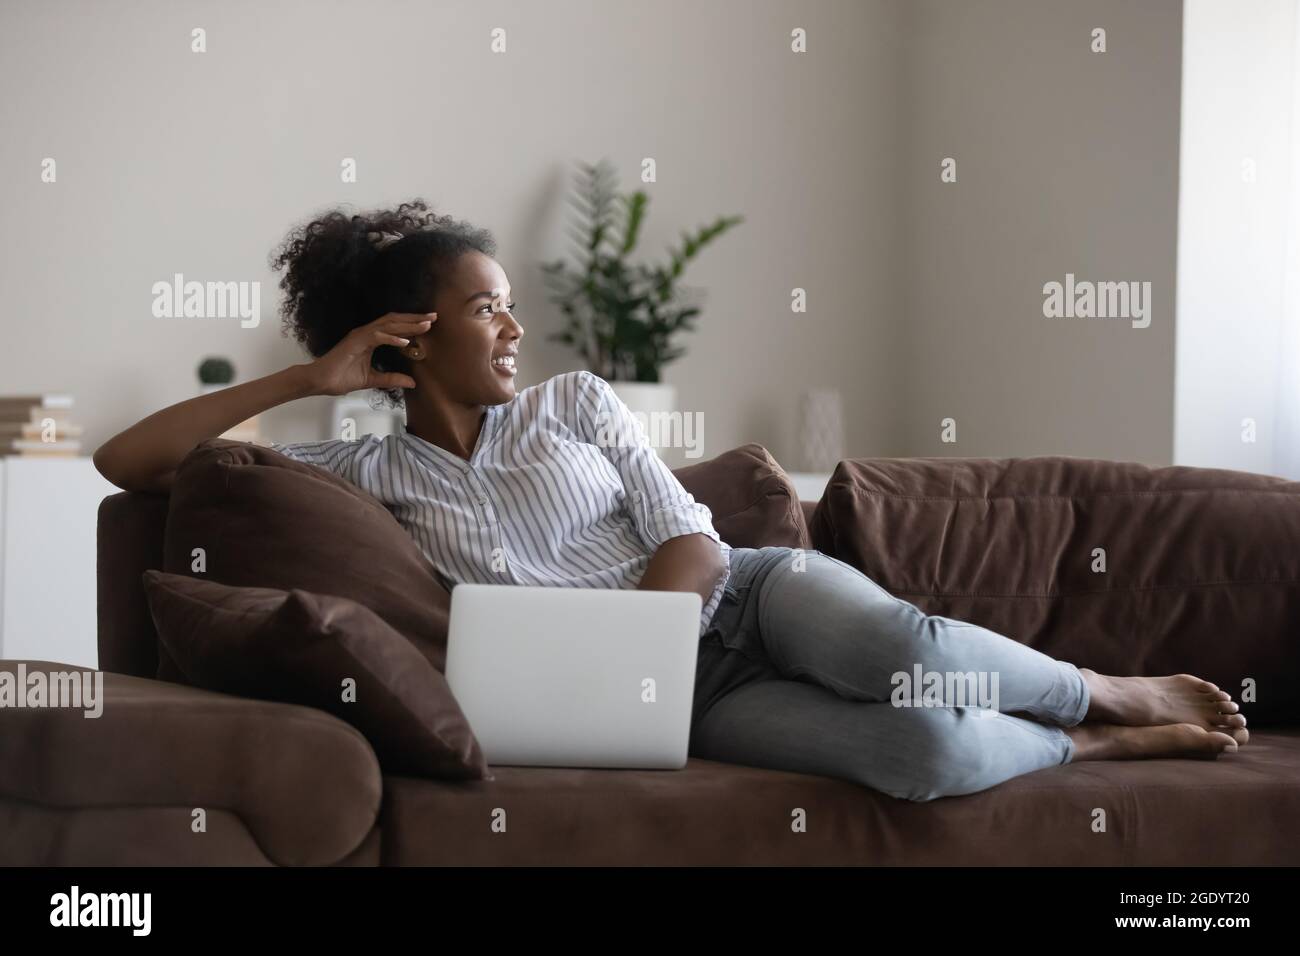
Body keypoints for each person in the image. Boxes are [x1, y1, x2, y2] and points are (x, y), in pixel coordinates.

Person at [94, 199, 1249, 803]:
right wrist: (310, 377)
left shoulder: (576, 402)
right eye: (486, 306)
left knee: (904, 649)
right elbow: (128, 464)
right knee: (924, 752)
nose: (513, 325)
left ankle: (1107, 684)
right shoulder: (366, 475)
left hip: (742, 602)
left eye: (508, 306)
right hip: (684, 701)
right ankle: (1086, 749)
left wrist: (635, 641)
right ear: (411, 330)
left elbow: (690, 539)